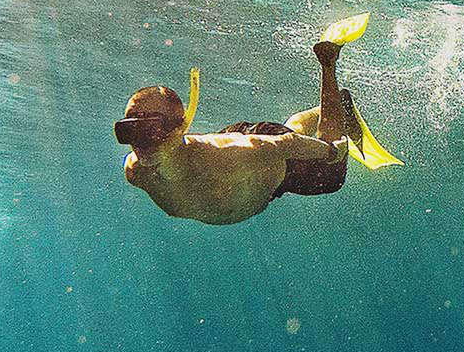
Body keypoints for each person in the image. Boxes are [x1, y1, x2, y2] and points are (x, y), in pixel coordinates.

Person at [116, 39, 361, 225]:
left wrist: (331, 152)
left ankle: (329, 68)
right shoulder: (136, 171)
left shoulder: (225, 160)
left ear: (181, 127)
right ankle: (324, 110)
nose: (141, 143)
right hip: (242, 147)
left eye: (151, 130)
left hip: (269, 156)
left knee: (331, 177)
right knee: (293, 130)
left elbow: (288, 144)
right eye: (128, 131)